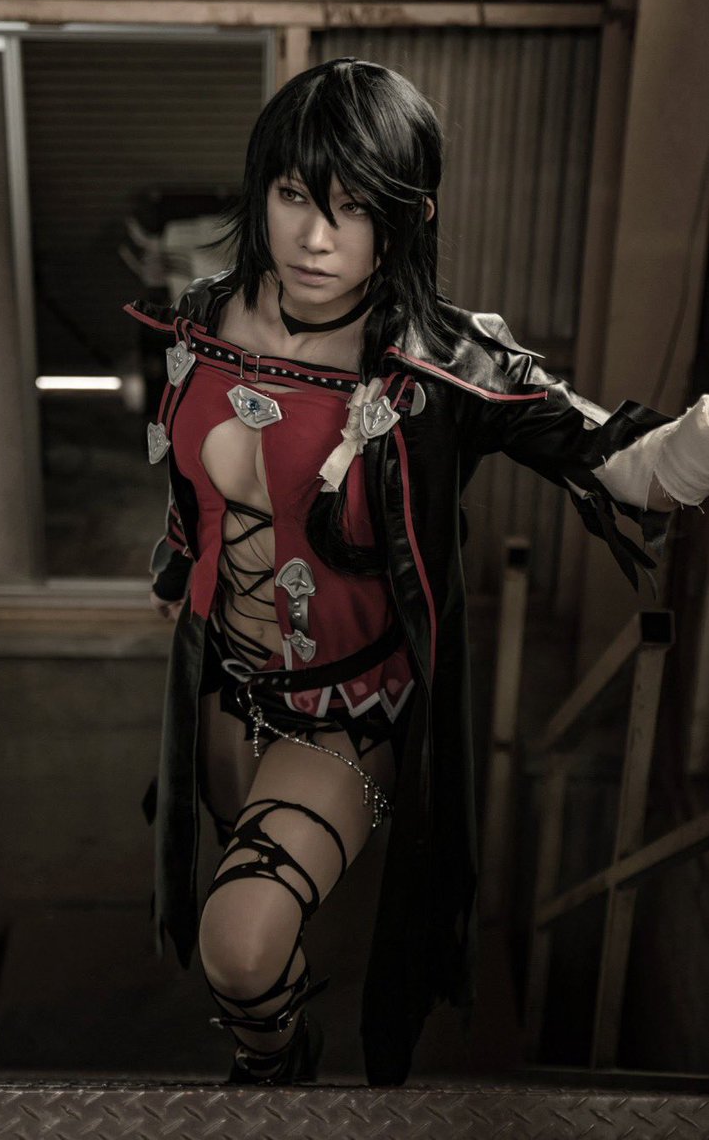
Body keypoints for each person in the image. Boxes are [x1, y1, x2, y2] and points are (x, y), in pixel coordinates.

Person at [124, 57, 709, 1087]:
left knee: (242, 946)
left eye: (353, 208)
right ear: (261, 189)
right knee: (236, 914)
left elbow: (636, 468)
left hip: (341, 711)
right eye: (295, 195)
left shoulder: (442, 364)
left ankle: (277, 1067)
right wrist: (178, 570)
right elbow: (194, 499)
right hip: (215, 687)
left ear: (406, 218)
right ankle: (270, 1041)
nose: (316, 238)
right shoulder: (203, 318)